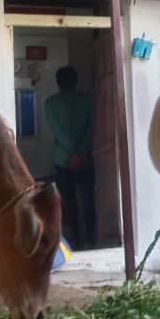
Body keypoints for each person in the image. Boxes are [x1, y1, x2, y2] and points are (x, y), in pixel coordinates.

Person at [45, 66, 96, 249]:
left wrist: (72, 152)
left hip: (63, 160)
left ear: (58, 82)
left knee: (67, 203)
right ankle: (90, 240)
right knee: (88, 201)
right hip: (86, 158)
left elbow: (57, 131)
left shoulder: (50, 103)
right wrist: (80, 152)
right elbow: (91, 129)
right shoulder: (88, 101)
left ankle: (73, 241)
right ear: (76, 80)